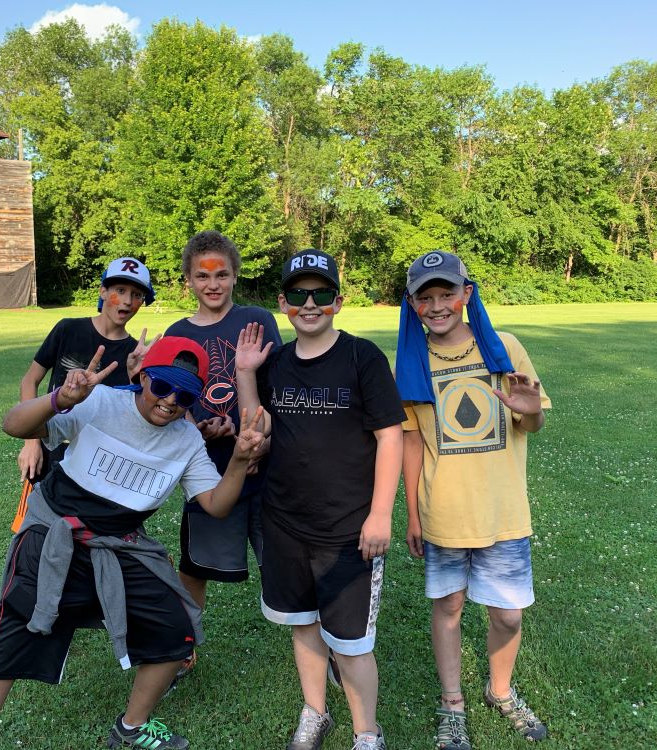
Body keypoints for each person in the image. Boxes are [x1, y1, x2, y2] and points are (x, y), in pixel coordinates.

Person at [0, 337, 266, 750]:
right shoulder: (101, 403)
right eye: (163, 386)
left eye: (185, 395)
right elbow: (13, 425)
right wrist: (60, 398)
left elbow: (216, 504)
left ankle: (132, 727)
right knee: (6, 651)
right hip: (53, 537)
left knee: (176, 629)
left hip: (120, 546)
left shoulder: (186, 439)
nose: (170, 401)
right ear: (144, 376)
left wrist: (239, 461)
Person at [235, 249, 404, 750]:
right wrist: (246, 374)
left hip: (348, 528)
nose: (310, 304)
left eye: (322, 294)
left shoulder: (362, 357)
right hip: (285, 522)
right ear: (283, 302)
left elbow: (390, 437)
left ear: (338, 300)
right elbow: (255, 430)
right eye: (298, 295)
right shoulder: (277, 363)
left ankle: (366, 733)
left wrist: (379, 515)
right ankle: (315, 712)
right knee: (303, 627)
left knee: (351, 646)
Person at [395, 250, 551, 750]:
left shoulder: (503, 347)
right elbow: (413, 441)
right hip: (444, 511)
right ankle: (452, 705)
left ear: (466, 294)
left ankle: (499, 689)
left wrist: (532, 412)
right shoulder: (412, 359)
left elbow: (531, 419)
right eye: (426, 297)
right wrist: (413, 515)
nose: (438, 305)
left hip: (502, 510)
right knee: (449, 609)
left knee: (507, 614)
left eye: (447, 293)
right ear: (413, 303)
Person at [164, 230, 282, 626]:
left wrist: (264, 440)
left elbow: (279, 391)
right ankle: (183, 643)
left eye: (221, 275)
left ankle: (323, 646)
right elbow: (171, 404)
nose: (212, 284)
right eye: (202, 276)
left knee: (284, 560)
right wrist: (198, 427)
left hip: (267, 471)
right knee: (196, 566)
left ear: (235, 276)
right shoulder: (178, 333)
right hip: (209, 472)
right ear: (189, 280)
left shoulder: (257, 320)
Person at [16, 257, 158, 486]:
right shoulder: (68, 329)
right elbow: (30, 381)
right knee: (39, 518)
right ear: (103, 292)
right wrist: (31, 442)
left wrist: (137, 377)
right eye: (119, 290)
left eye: (137, 295)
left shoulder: (135, 355)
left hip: (98, 459)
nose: (127, 301)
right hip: (51, 445)